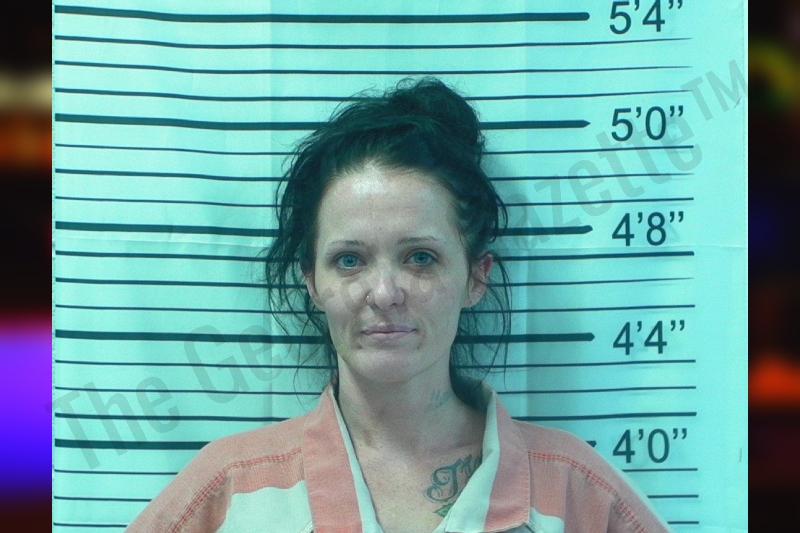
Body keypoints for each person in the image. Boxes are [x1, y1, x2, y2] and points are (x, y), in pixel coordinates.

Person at [125, 78, 670, 533]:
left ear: (476, 277)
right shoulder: (230, 493)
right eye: (349, 260)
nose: (384, 293)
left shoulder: (576, 494)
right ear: (311, 281)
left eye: (420, 258)